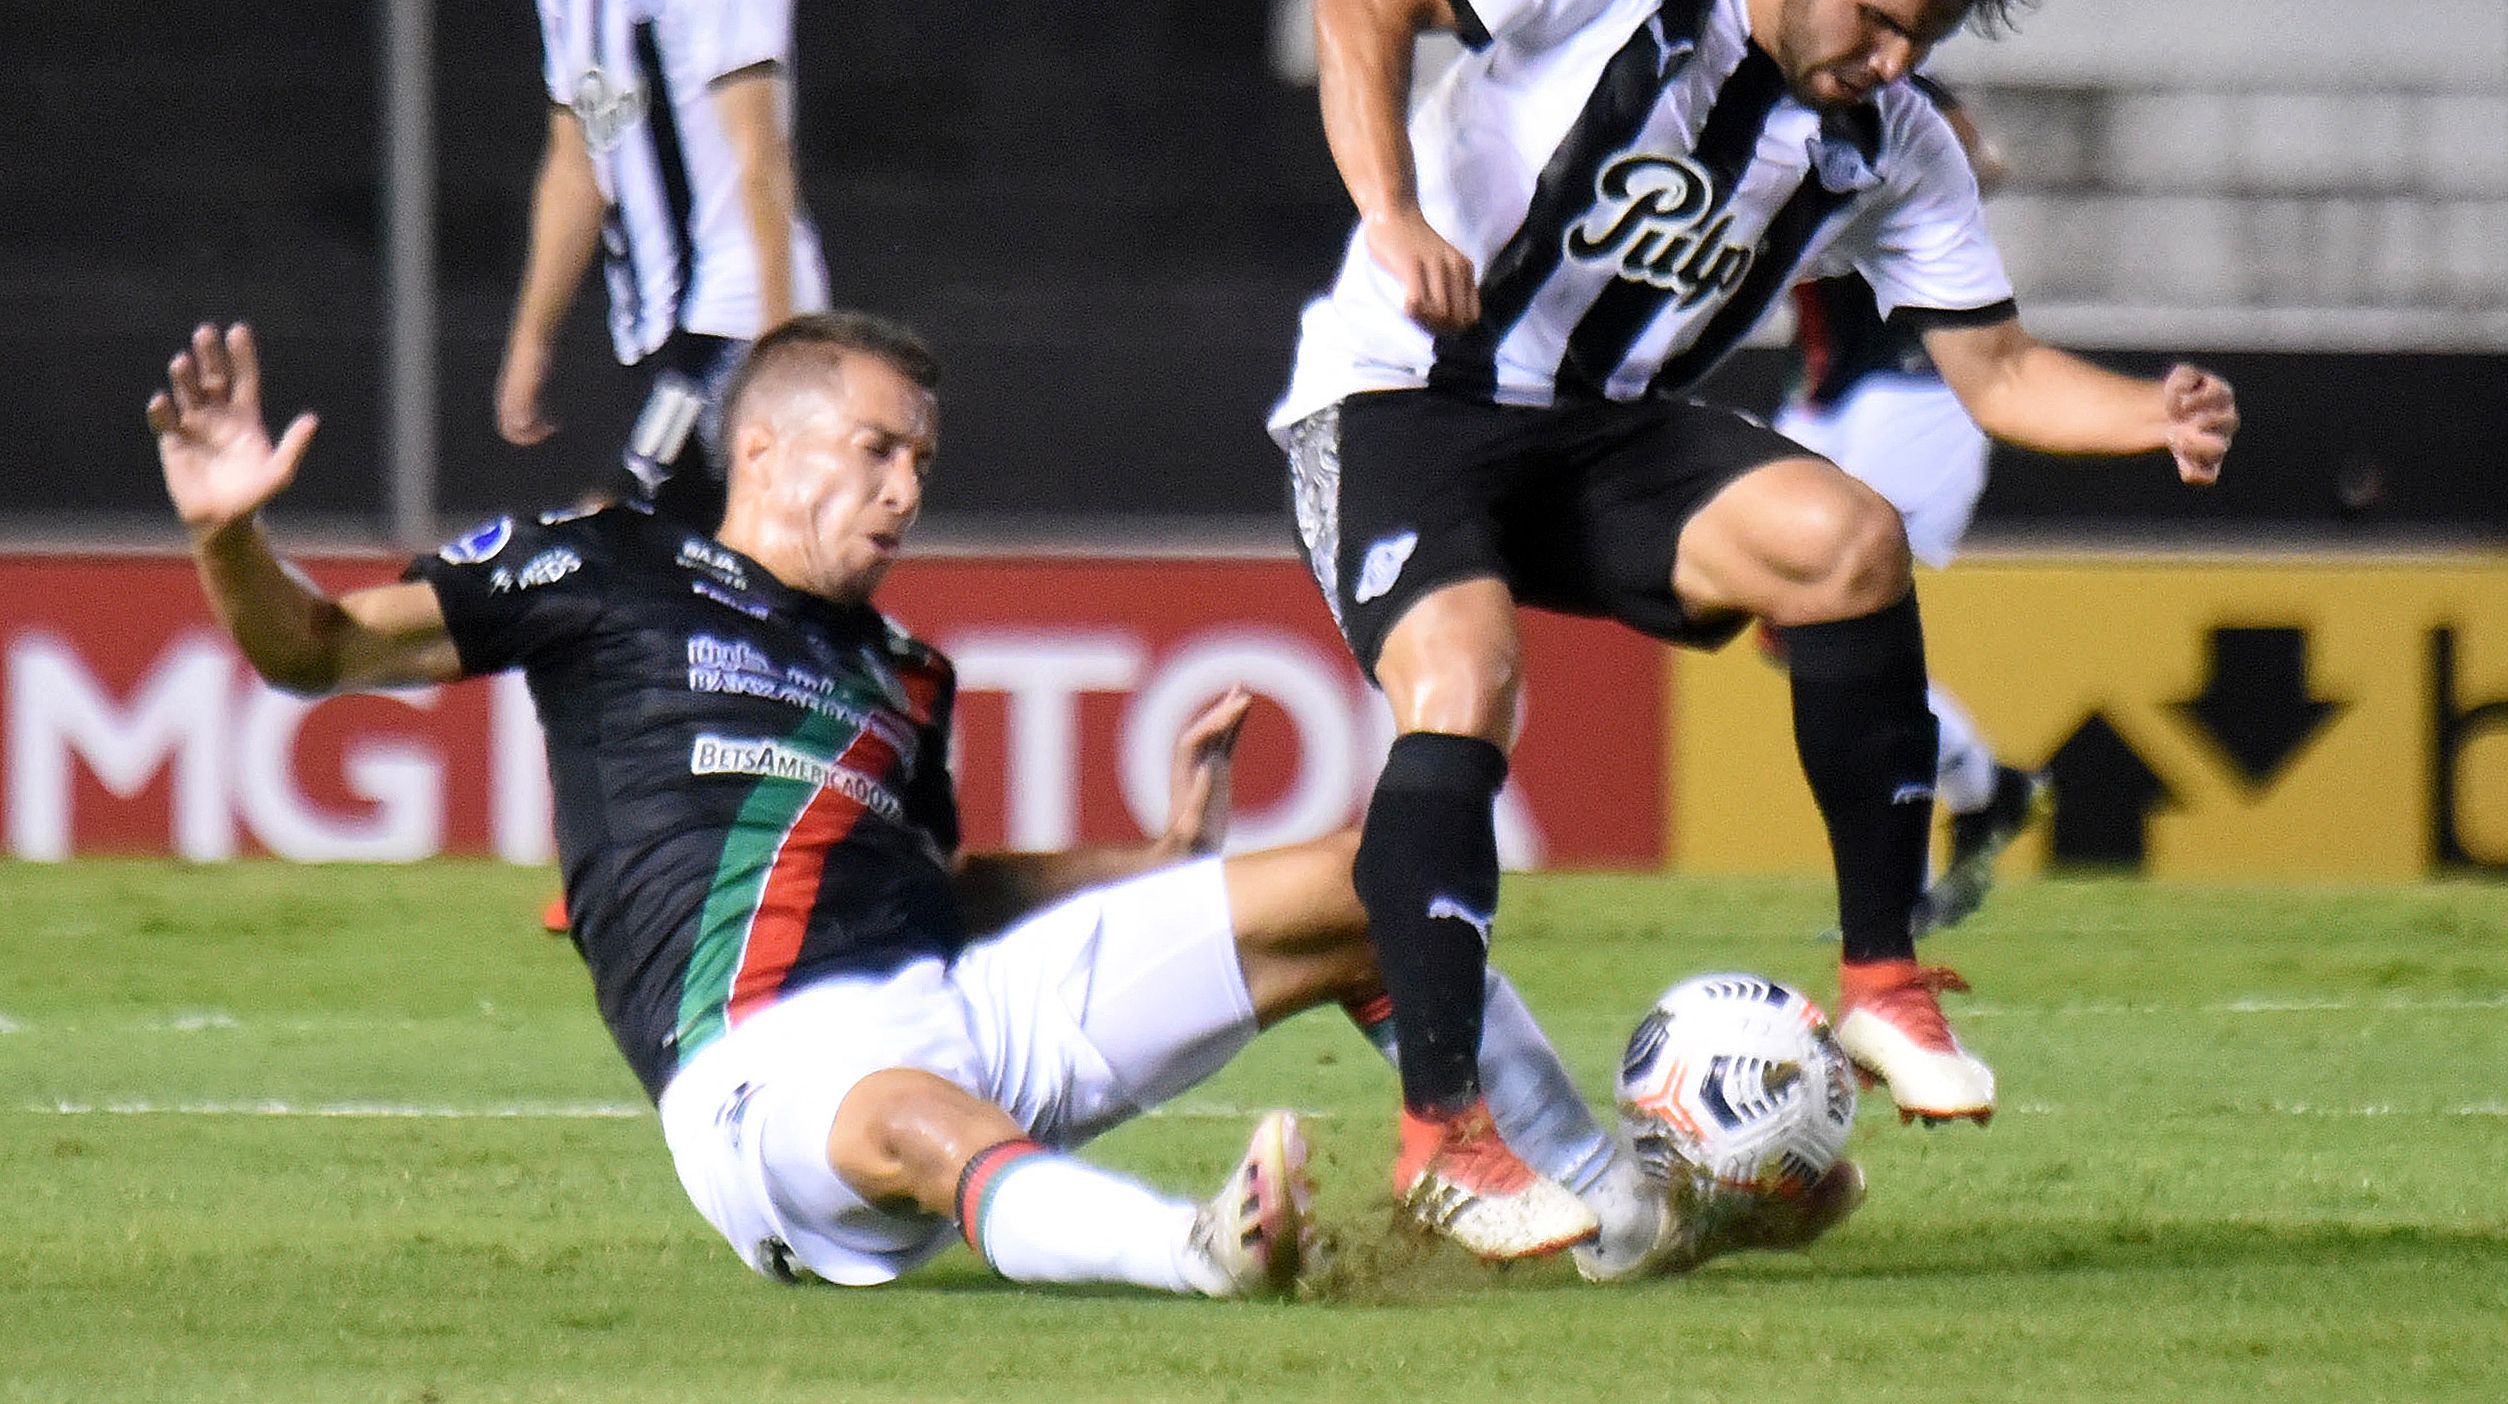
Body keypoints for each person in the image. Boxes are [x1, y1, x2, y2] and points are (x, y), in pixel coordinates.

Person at [146, 314, 1847, 1295]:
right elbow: (309, 651)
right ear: (770, 447)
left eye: (921, 469)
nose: (903, 492)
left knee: (1364, 877)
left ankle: (1607, 1199)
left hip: (960, 1002)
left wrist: (1156, 862)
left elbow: (937, 882)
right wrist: (231, 529)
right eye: (878, 453)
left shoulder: (902, 671)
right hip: (761, 1074)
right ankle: (1194, 1251)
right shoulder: (601, 568)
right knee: (902, 1111)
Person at [1271, 0, 2238, 1251]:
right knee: (1465, 682)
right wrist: (1391, 213)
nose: (1895, 58)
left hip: (1600, 435)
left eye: (1924, 34)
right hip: (1400, 398)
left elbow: (2002, 369)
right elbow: (1361, 3)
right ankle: (1443, 1135)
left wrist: (2146, 413)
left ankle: (1879, 976)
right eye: (1880, 16)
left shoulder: (1891, 135)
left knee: (1848, 541)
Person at [1685, 0, 2050, 937]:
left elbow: (1960, 141)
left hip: (1916, 386)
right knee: (1775, 609)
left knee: (1819, 605)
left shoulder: (1858, 57)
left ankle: (1919, 867)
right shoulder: (1692, 47)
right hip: (1829, 384)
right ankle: (1985, 788)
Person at [495, 0, 829, 535]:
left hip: (738, 311)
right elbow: (578, 164)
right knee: (701, 563)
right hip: (654, 324)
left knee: (614, 529)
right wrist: (532, 339)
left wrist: (779, 348)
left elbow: (762, 154)